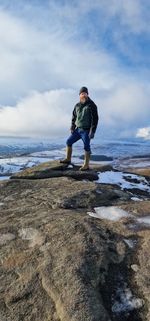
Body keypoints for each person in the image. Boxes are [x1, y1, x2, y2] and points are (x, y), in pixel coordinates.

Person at [60, 86, 99, 170]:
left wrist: (92, 131)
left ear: (87, 94)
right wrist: (72, 126)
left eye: (85, 93)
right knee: (68, 142)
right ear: (79, 95)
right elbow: (74, 117)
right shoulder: (77, 105)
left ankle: (86, 165)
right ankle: (68, 159)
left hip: (86, 131)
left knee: (86, 147)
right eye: (82, 94)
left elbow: (95, 119)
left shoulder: (92, 105)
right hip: (78, 130)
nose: (83, 95)